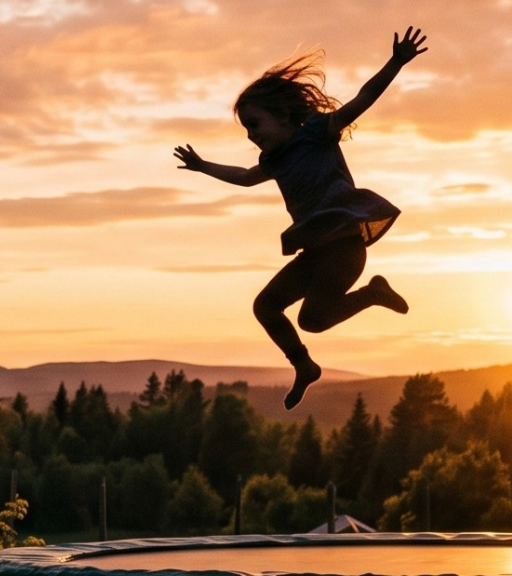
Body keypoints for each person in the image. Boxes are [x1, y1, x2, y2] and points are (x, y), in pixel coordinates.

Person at [175, 27, 428, 407]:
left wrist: (396, 62)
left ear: (281, 115)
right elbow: (245, 178)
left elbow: (362, 100)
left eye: (254, 125)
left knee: (313, 319)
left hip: (343, 248)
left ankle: (373, 293)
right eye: (246, 129)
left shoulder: (316, 132)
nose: (250, 135)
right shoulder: (273, 159)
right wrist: (202, 166)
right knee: (265, 307)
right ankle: (304, 365)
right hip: (314, 252)